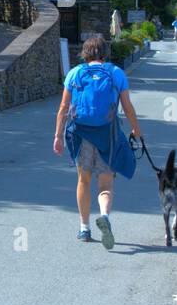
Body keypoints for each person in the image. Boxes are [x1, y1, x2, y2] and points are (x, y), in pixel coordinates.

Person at [52, 35, 143, 249]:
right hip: (107, 135)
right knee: (106, 184)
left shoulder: (75, 73)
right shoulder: (115, 73)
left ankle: (84, 228)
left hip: (80, 134)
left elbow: (63, 108)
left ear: (85, 53)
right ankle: (105, 216)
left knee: (83, 181)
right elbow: (127, 106)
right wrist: (136, 130)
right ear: (105, 52)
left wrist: (57, 136)